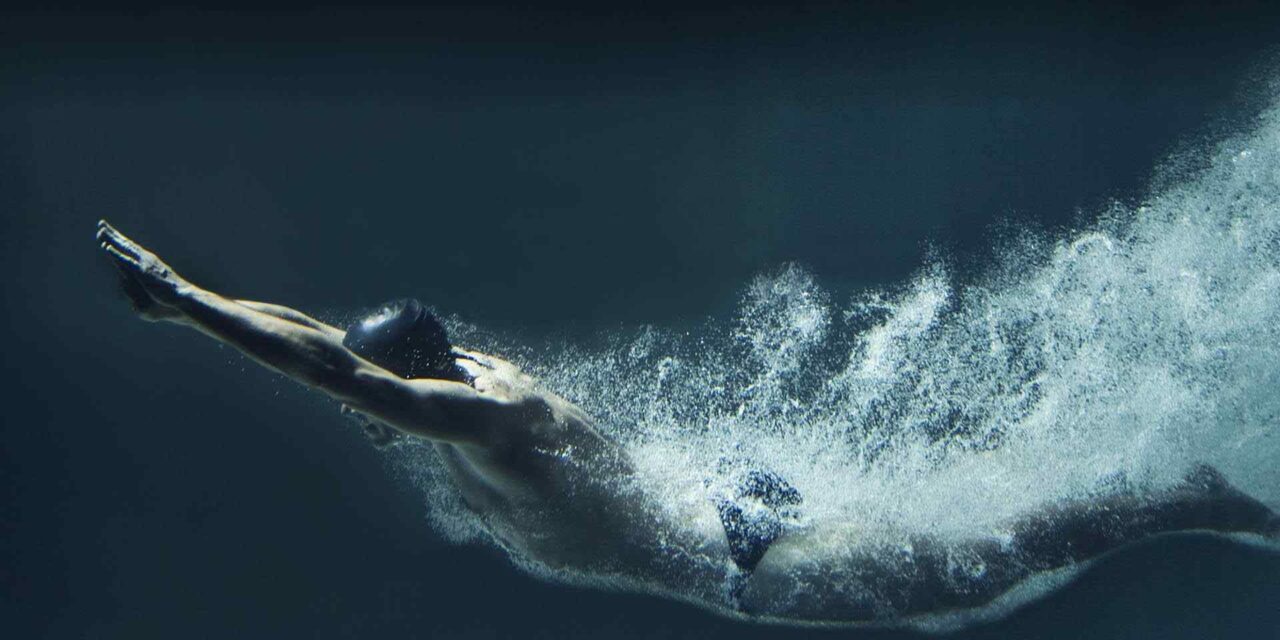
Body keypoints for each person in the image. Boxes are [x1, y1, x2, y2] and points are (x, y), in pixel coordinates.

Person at [96, 220, 1278, 624]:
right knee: (951, 577)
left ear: (412, 385)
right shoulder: (455, 367)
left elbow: (338, 374)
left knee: (980, 571)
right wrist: (195, 298)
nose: (367, 415)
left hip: (744, 561)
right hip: (720, 509)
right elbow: (327, 345)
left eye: (379, 400)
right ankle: (1167, 497)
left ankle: (1185, 497)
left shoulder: (486, 419)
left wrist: (190, 304)